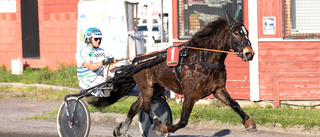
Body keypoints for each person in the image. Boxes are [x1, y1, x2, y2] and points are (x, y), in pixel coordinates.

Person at [75, 27, 115, 97]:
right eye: (96, 39)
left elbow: (110, 67)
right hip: (87, 81)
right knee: (100, 86)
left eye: (100, 39)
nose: (98, 41)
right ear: (88, 39)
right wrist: (103, 62)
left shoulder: (103, 51)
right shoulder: (82, 52)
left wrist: (122, 69)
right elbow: (91, 67)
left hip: (100, 80)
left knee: (111, 82)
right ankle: (103, 92)